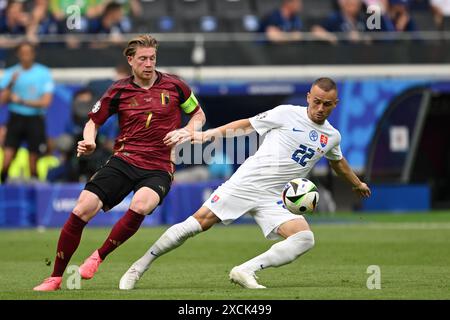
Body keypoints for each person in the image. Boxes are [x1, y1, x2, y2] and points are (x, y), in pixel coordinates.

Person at [119, 77, 371, 290]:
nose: (320, 108)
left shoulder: (332, 136)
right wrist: (208, 134)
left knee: (305, 238)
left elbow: (338, 162)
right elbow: (246, 125)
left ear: (335, 104)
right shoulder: (286, 113)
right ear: (308, 97)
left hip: (276, 197)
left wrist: (357, 183)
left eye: (327, 104)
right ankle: (138, 267)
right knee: (194, 226)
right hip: (246, 183)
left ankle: (245, 270)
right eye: (316, 102)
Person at [33, 34, 206, 291]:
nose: (149, 63)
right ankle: (55, 277)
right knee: (82, 208)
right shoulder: (118, 90)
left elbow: (198, 115)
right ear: (130, 60)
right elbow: (93, 121)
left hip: (159, 166)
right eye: (143, 59)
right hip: (124, 160)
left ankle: (97, 257)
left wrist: (188, 130)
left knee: (141, 204)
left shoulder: (176, 86)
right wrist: (89, 140)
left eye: (152, 58)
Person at [0, 41, 54, 184]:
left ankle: (36, 195)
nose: (26, 56)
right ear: (18, 54)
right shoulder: (12, 73)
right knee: (7, 158)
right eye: (23, 53)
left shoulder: (43, 73)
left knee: (33, 161)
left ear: (33, 54)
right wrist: (11, 83)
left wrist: (22, 101)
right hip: (16, 119)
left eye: (28, 53)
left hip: (35, 119)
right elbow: (3, 100)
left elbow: (46, 102)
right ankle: (3, 189)